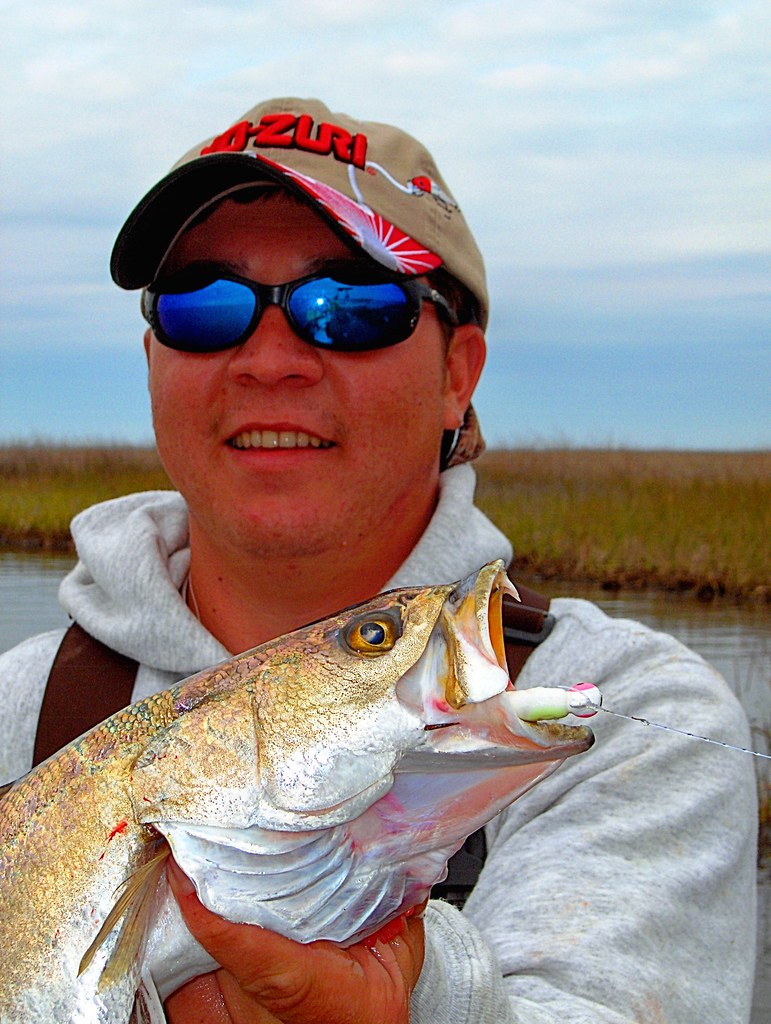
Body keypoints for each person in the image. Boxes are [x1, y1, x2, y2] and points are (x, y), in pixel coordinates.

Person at [0, 97, 758, 1022]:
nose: (268, 359)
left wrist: (411, 1003)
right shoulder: (18, 705)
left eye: (349, 307)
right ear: (153, 356)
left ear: (457, 374)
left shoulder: (632, 714)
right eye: (205, 305)